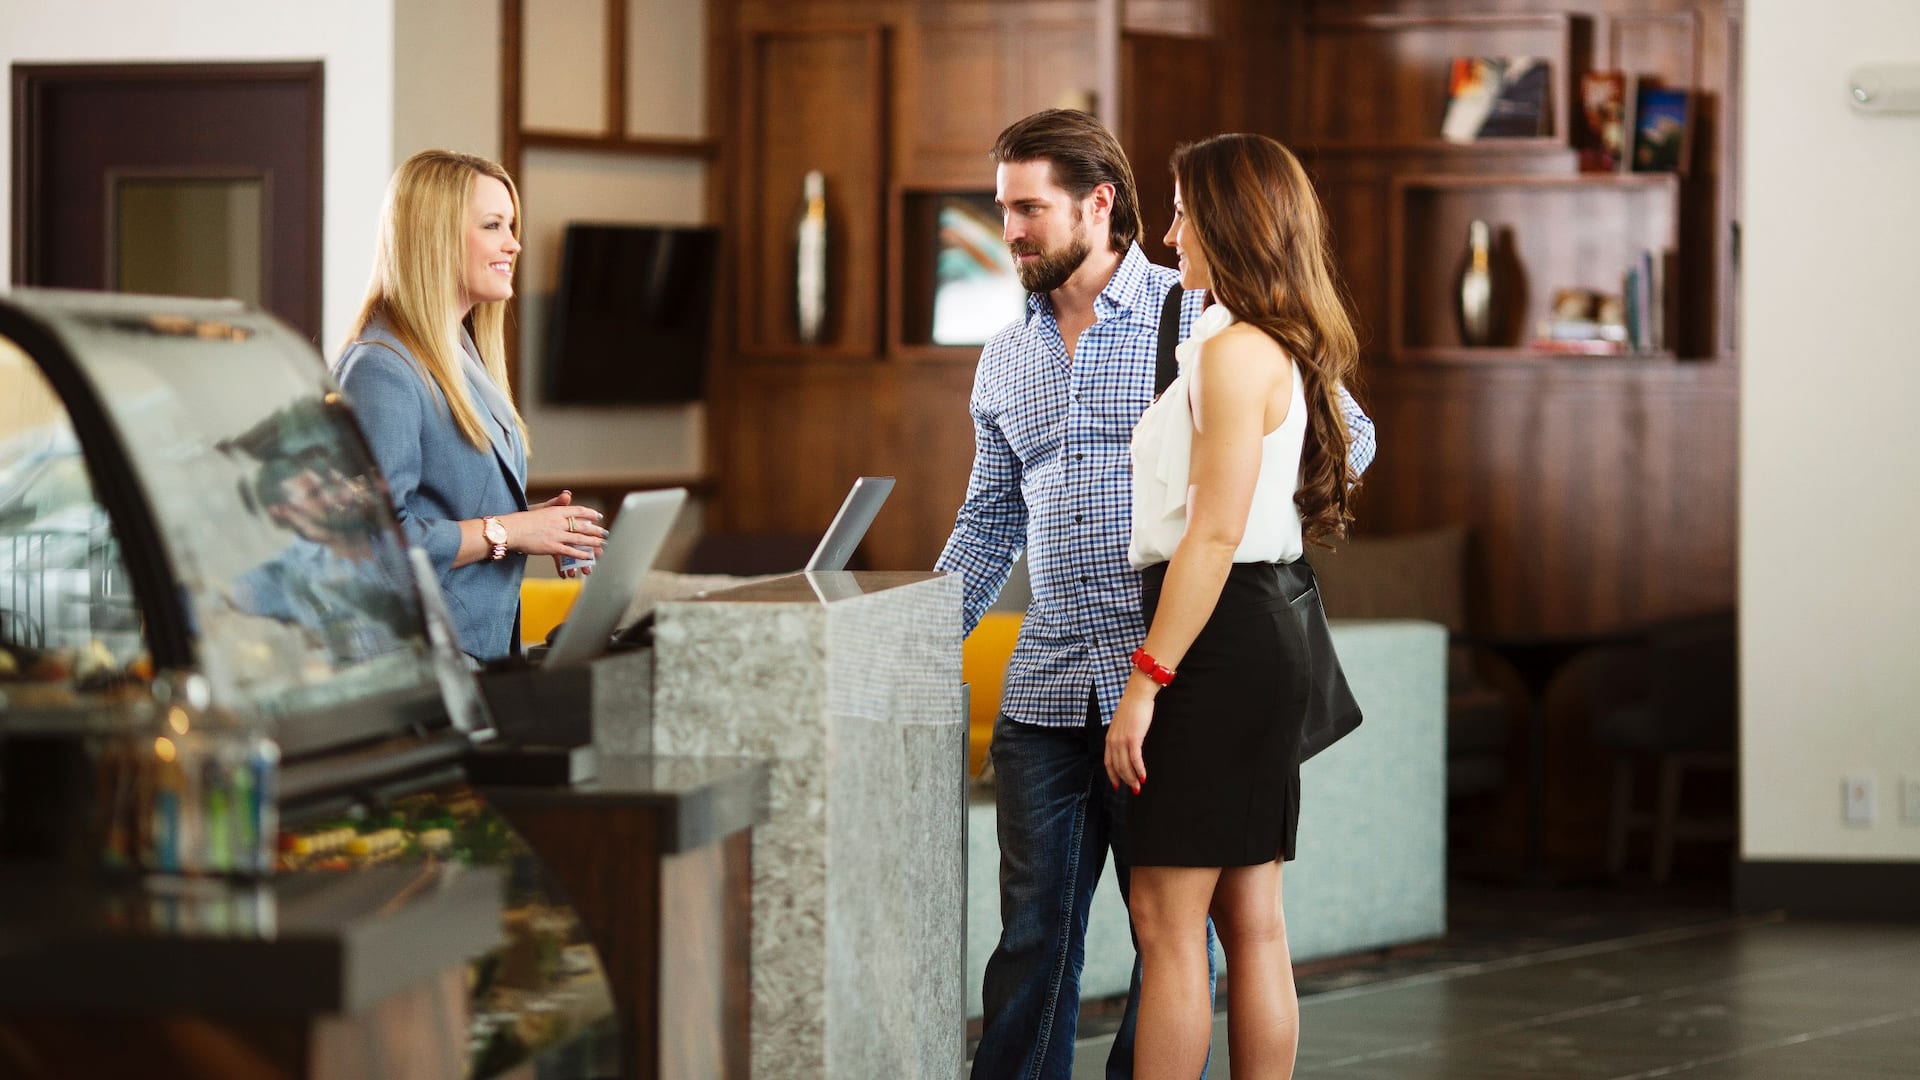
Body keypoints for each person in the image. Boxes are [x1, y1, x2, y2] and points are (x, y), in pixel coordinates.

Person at [935, 110, 1376, 1080]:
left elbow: (1346, 433)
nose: (1008, 229)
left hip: (1174, 684)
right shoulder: (1005, 355)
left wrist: (1254, 524)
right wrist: (922, 646)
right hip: (1050, 690)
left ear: (1099, 204)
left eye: (1027, 209)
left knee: (1174, 938)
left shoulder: (1205, 315)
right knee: (1032, 946)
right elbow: (985, 523)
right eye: (1000, 208)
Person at [1104, 132, 1361, 1080]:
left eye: (1181, 210)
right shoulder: (1268, 345)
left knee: (1164, 923)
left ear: (1230, 222)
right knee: (1252, 922)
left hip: (1218, 642)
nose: (1169, 234)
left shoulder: (1230, 355)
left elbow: (1210, 538)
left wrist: (1146, 684)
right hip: (1262, 631)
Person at [335, 149, 606, 665]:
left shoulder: (459, 354)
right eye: (493, 225)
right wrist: (510, 531)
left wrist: (533, 526)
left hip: (473, 661)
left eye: (511, 224)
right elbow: (374, 547)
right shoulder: (380, 369)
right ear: (434, 237)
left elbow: (440, 511)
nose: (514, 243)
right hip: (414, 671)